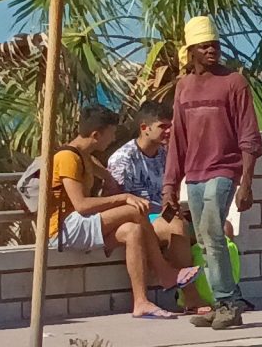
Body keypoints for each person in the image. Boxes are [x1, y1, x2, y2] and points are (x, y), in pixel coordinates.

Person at [161, 15, 262, 330]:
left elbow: (249, 137)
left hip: (224, 170)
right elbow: (178, 141)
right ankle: (220, 303)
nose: (212, 51)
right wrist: (169, 187)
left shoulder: (234, 82)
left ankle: (230, 303)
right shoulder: (184, 87)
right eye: (204, 46)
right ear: (191, 51)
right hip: (194, 174)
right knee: (204, 240)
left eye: (215, 45)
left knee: (213, 233)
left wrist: (246, 183)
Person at [43, 106, 174, 320]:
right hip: (64, 230)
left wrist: (107, 176)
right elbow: (81, 205)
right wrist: (122, 197)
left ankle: (141, 301)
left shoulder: (83, 154)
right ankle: (164, 271)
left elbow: (95, 167)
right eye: (111, 134)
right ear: (96, 135)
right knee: (134, 209)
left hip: (79, 225)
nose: (113, 139)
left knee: (132, 231)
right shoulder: (68, 158)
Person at [105, 103, 197, 291]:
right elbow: (118, 202)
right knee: (177, 227)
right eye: (162, 126)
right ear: (144, 129)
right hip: (140, 218)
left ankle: (222, 293)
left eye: (170, 126)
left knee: (221, 226)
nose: (169, 131)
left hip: (162, 214)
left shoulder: (164, 154)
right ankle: (190, 296)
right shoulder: (123, 159)